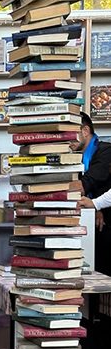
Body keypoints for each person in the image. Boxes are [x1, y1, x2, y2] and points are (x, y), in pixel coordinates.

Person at [70, 112, 111, 276]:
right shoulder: (74, 158)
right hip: (89, 224)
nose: (67, 140)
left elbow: (84, 185)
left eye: (70, 134)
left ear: (85, 131)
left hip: (106, 226)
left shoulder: (105, 151)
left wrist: (95, 205)